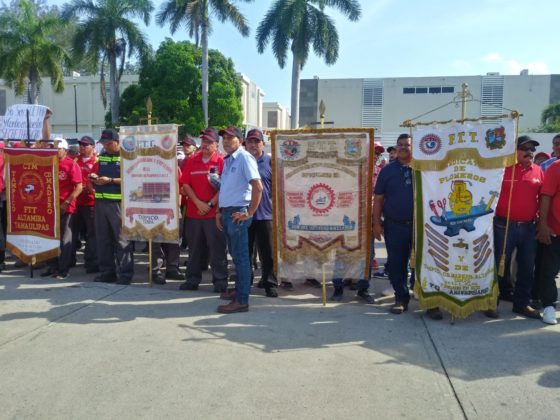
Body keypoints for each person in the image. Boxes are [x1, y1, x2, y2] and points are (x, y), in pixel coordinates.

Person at [373, 134, 442, 319]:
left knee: (426, 264)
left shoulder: (424, 169)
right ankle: (401, 299)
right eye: (400, 144)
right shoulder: (387, 171)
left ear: (414, 147)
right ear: (396, 147)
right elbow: (378, 199)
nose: (403, 147)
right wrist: (376, 224)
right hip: (394, 226)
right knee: (397, 265)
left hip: (422, 227)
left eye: (407, 144)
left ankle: (429, 301)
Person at [488, 136, 544, 319]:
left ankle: (522, 304)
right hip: (503, 225)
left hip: (529, 227)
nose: (529, 152)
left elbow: (542, 198)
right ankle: (491, 302)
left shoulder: (539, 171)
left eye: (532, 149)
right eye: (524, 148)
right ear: (514, 151)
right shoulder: (503, 169)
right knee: (498, 264)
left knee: (527, 267)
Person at [216, 126, 263, 313]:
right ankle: (239, 291)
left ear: (240, 140)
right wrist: (219, 212)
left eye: (230, 138)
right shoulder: (230, 159)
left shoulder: (244, 157)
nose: (226, 141)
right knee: (236, 257)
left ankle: (242, 300)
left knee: (241, 258)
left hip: (238, 212)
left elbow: (258, 187)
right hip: (228, 212)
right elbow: (226, 188)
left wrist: (249, 212)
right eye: (224, 138)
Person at [179, 127, 228, 292]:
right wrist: (198, 203)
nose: (205, 144)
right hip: (194, 213)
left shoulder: (222, 161)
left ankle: (220, 282)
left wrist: (210, 204)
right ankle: (192, 280)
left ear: (216, 145)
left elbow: (226, 187)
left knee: (217, 250)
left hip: (214, 215)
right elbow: (185, 184)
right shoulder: (192, 160)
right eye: (203, 141)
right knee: (194, 250)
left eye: (209, 142)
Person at [91, 129, 134, 285]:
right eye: (103, 143)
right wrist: (93, 177)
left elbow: (131, 178)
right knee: (103, 239)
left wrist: (110, 180)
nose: (106, 146)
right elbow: (93, 172)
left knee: (122, 240)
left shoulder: (127, 157)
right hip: (101, 203)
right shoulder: (102, 157)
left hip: (118, 204)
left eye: (108, 143)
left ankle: (125, 274)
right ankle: (107, 272)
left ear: (117, 142)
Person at [41, 138, 83, 280]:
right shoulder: (48, 163)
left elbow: (79, 187)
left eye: (58, 149)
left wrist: (66, 202)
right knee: (50, 238)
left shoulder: (72, 164)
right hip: (50, 207)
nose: (55, 151)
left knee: (65, 239)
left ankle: (63, 269)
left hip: (66, 208)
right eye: (53, 148)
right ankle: (52, 266)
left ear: (65, 150)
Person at [244, 129, 278, 298]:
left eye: (256, 141)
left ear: (263, 144)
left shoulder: (271, 162)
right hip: (244, 214)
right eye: (250, 141)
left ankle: (269, 283)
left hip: (265, 215)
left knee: (268, 253)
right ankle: (245, 282)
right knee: (245, 252)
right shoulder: (242, 161)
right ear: (245, 144)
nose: (253, 145)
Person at [535, 158, 560, 325]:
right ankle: (549, 306)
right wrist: (543, 225)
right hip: (555, 230)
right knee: (549, 271)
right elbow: (546, 197)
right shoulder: (556, 167)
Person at [73, 135, 98, 273]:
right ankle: (69, 260)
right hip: (75, 202)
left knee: (91, 234)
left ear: (93, 147)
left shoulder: (97, 161)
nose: (82, 147)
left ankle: (90, 261)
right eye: (81, 144)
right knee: (72, 233)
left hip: (91, 203)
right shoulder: (75, 160)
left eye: (85, 145)